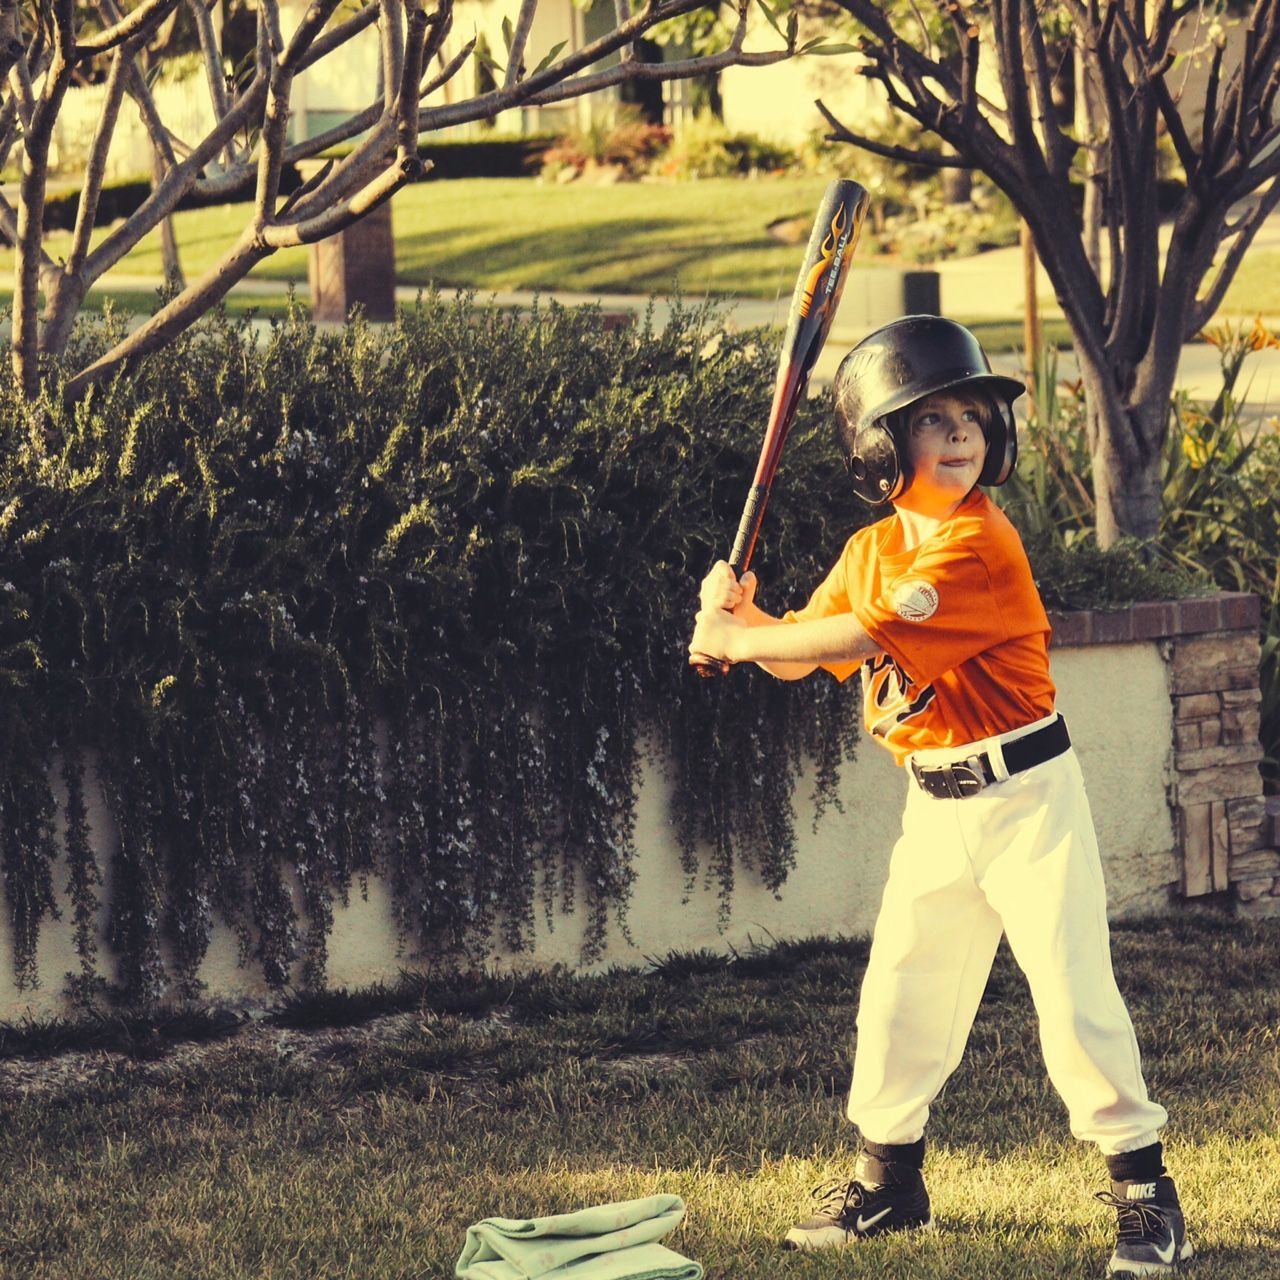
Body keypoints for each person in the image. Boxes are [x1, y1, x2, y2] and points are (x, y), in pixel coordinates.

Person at [687, 316, 1192, 1277]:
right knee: (904, 993)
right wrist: (742, 616)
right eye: (932, 421)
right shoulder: (872, 547)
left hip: (1027, 797)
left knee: (1073, 993)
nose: (962, 433)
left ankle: (1145, 1194)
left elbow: (857, 641)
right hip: (934, 803)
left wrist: (740, 640)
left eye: (972, 416)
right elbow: (805, 653)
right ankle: (889, 1185)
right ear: (880, 449)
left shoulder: (976, 546)